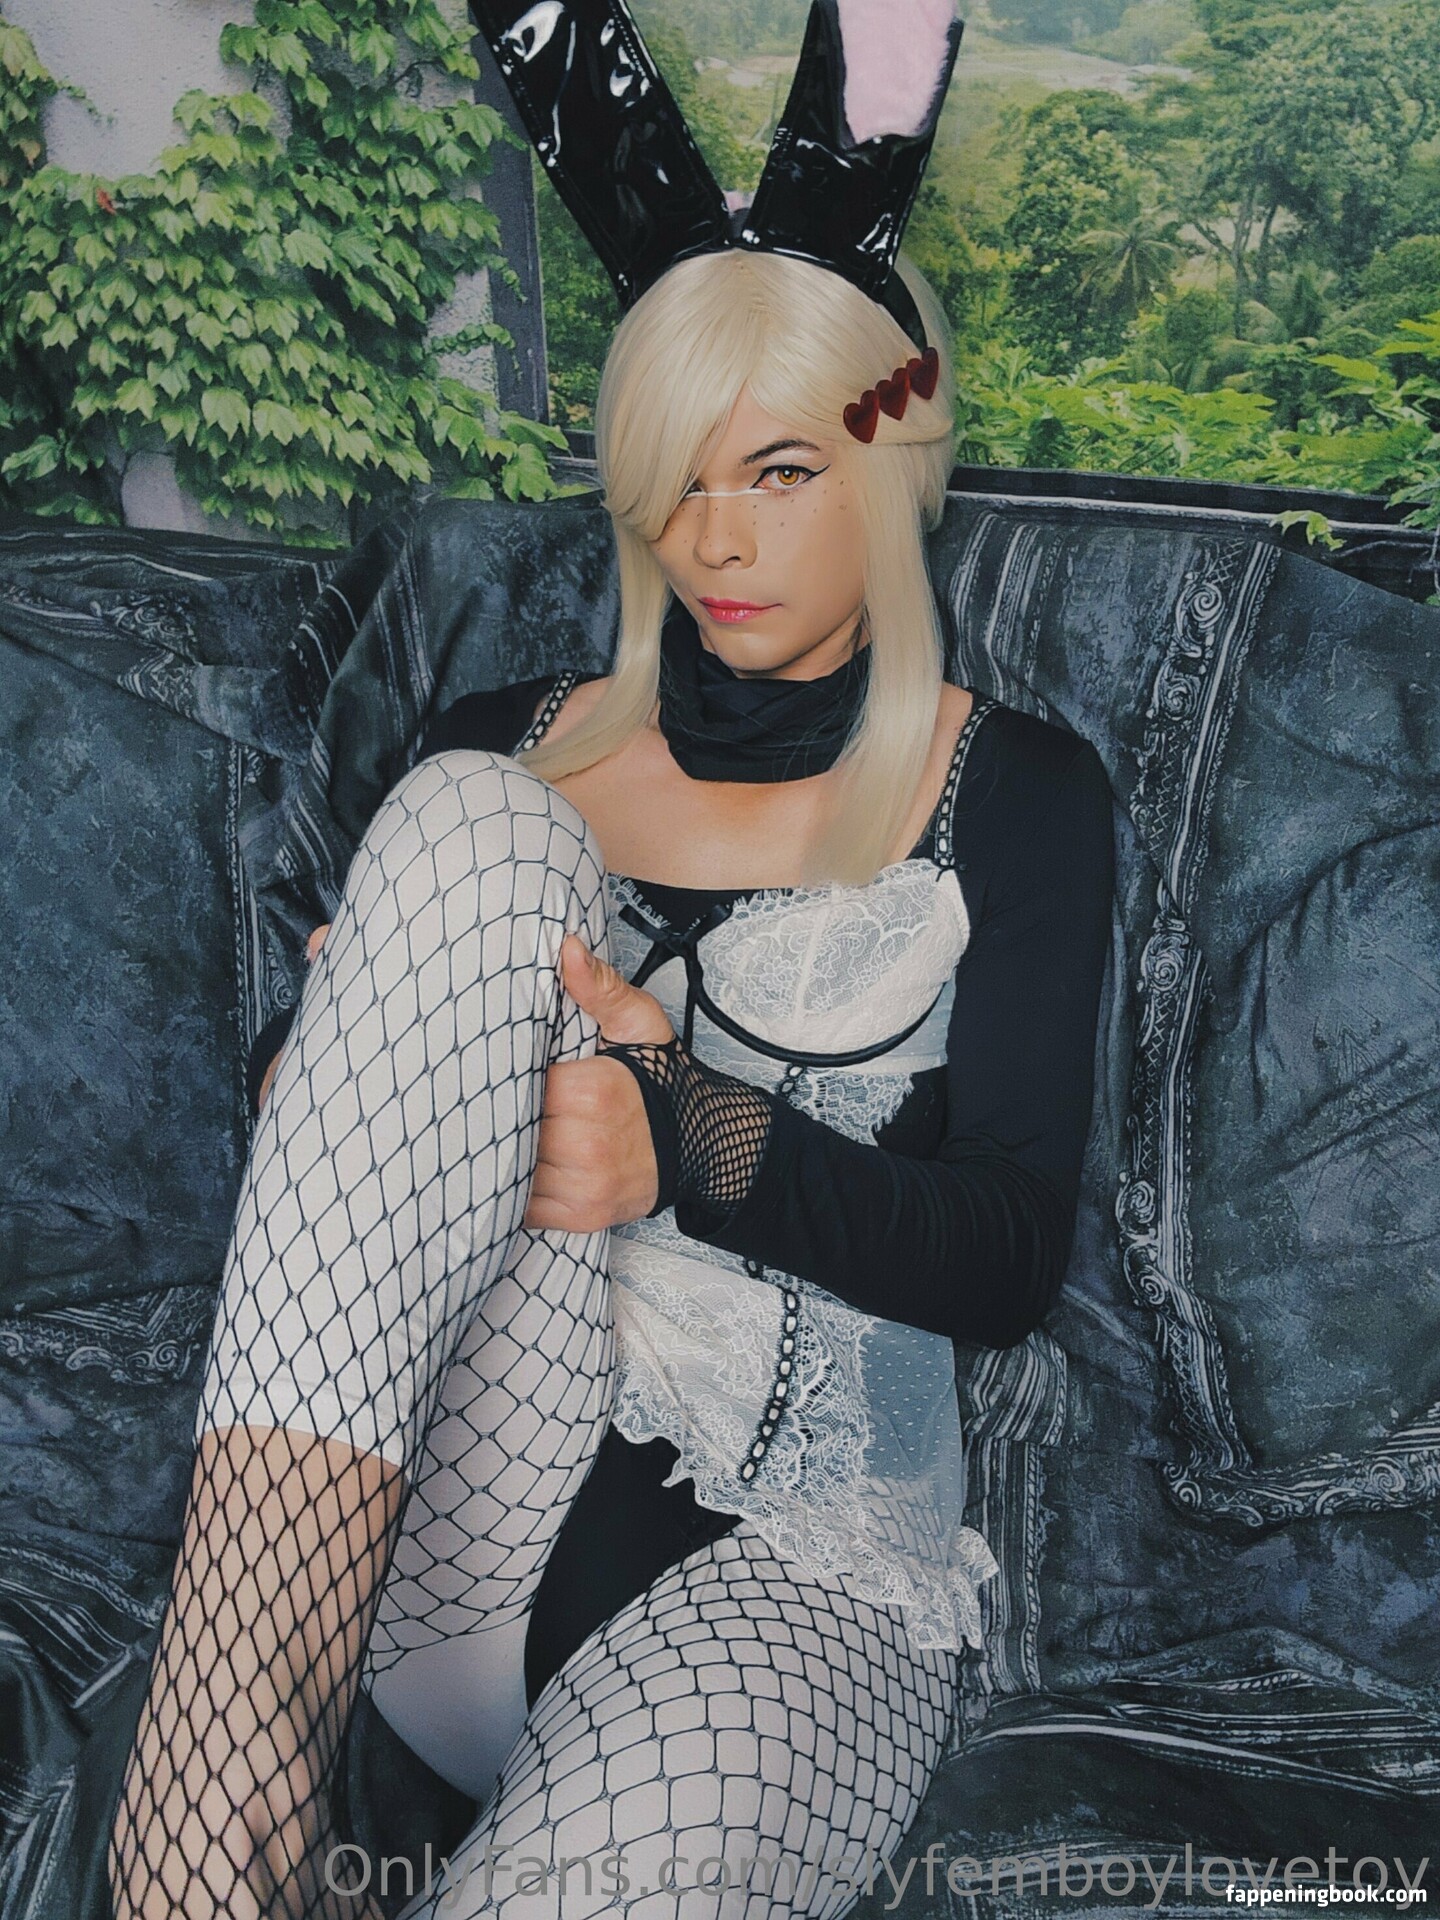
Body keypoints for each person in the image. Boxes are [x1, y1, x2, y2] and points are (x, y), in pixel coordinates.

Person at [107, 7, 1116, 1918]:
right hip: (428, 1533)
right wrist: (333, 1059)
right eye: (673, 472)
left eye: (781, 471)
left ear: (891, 455)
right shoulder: (503, 734)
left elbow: (1010, 1252)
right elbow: (326, 1196)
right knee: (474, 822)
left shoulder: (1018, 791)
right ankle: (210, 1794)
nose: (712, 537)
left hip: (795, 1583)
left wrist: (687, 1139)